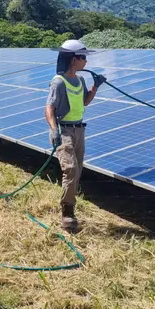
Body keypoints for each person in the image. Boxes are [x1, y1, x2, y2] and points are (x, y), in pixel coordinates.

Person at [45, 39, 106, 234]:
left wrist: (95, 87)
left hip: (80, 130)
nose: (85, 62)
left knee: (77, 170)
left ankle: (70, 204)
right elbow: (49, 108)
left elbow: (85, 102)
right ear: (73, 60)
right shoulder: (58, 82)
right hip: (64, 131)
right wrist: (54, 129)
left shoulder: (80, 80)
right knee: (70, 170)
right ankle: (67, 213)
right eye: (82, 58)